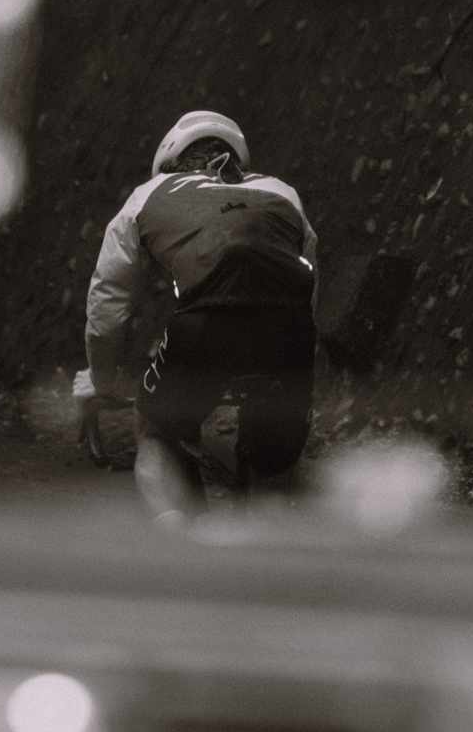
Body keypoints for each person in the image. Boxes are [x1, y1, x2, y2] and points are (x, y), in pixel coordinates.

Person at [73, 111, 319, 527]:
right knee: (275, 453)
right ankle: (268, 546)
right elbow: (309, 285)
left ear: (170, 160)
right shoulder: (282, 192)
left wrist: (101, 375)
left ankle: (180, 536)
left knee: (156, 427)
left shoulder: (147, 195)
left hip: (207, 322)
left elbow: (108, 301)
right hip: (289, 328)